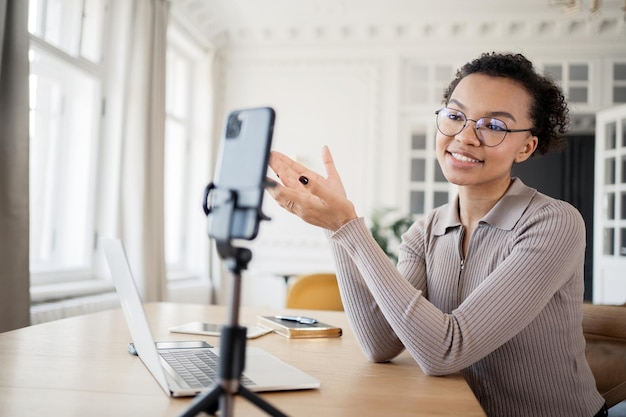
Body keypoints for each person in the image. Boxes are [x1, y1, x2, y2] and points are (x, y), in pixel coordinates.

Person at [266, 52, 606, 417]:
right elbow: (380, 343)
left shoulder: (554, 223)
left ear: (526, 146)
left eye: (493, 125)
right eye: (456, 116)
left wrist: (347, 226)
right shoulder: (425, 232)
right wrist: (336, 229)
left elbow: (446, 351)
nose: (465, 137)